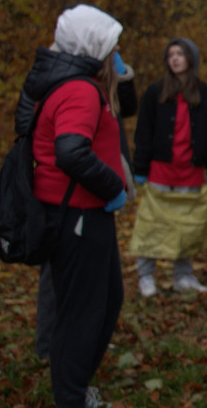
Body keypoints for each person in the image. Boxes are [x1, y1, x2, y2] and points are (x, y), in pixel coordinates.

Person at [21, 4, 126, 408]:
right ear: (94, 45)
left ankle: (76, 386)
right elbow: (70, 151)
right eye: (112, 44)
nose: (117, 52)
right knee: (81, 311)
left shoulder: (72, 83)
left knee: (107, 300)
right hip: (78, 214)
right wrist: (112, 187)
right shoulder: (79, 89)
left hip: (85, 214)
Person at [32, 48, 138, 362]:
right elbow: (68, 150)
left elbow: (127, 107)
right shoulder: (68, 83)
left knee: (101, 286)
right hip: (70, 199)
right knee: (61, 280)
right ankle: (52, 347)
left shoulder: (98, 79)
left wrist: (122, 74)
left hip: (95, 195)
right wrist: (109, 186)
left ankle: (83, 346)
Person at [132, 38, 207, 296]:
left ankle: (183, 275)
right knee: (153, 224)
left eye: (180, 54)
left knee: (186, 226)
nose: (175, 59)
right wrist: (140, 166)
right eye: (171, 55)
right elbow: (144, 131)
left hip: (191, 172)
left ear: (190, 59)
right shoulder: (155, 92)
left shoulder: (206, 95)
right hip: (160, 170)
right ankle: (146, 276)